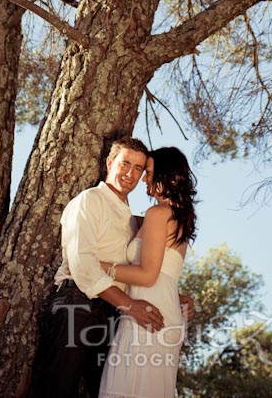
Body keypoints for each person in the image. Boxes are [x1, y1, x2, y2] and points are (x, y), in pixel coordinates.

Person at [30, 136, 164, 398]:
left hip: (111, 314)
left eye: (138, 168)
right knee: (57, 390)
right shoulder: (90, 200)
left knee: (106, 392)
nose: (130, 173)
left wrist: (171, 293)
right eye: (125, 163)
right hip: (77, 305)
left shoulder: (130, 219)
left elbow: (133, 270)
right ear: (109, 162)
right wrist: (130, 305)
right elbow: (83, 265)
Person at [97, 146, 198, 398]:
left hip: (148, 313)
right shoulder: (180, 217)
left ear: (167, 175)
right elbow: (165, 275)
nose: (144, 178)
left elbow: (148, 275)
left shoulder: (158, 213)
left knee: (125, 387)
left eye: (149, 172)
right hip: (165, 311)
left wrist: (99, 267)